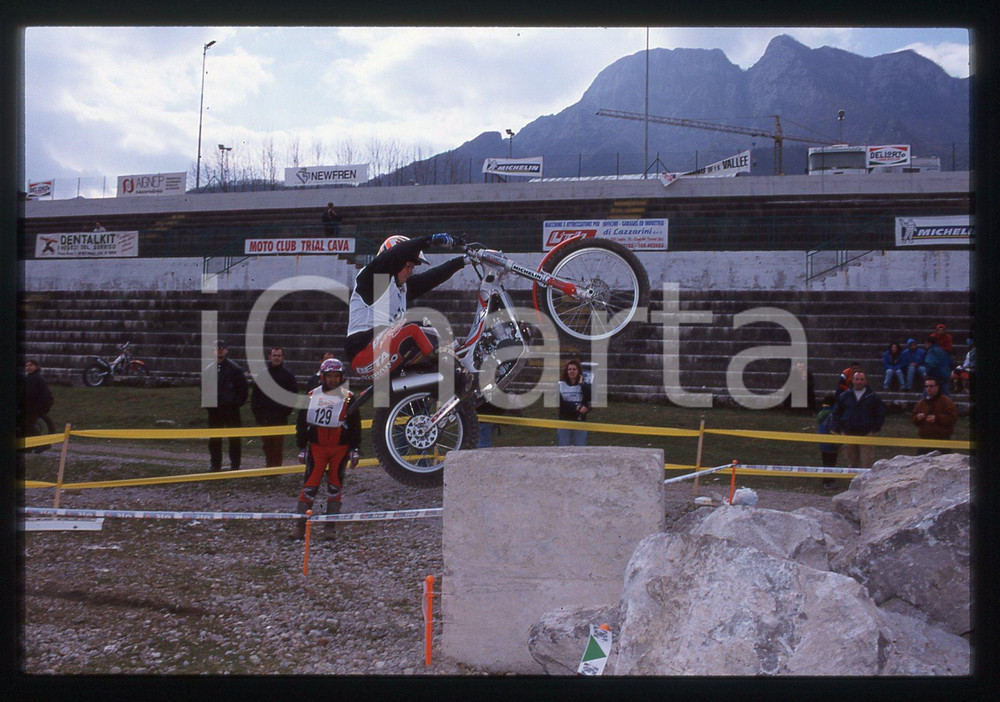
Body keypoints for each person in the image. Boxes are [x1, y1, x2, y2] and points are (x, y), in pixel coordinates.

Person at [345, 233, 469, 390]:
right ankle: (452, 373)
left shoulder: (401, 287)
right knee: (414, 328)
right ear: (394, 261)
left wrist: (462, 261)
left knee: (432, 329)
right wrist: (428, 240)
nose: (411, 271)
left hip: (383, 351)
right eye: (408, 266)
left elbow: (431, 277)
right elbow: (392, 256)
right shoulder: (371, 279)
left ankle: (434, 388)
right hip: (363, 352)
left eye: (412, 267)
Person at [291, 358, 361, 541]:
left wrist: (355, 449)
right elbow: (301, 421)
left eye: (336, 376)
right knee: (309, 486)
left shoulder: (348, 397)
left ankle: (330, 528)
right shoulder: (312, 395)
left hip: (340, 449)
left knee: (335, 487)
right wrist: (302, 446)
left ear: (341, 377)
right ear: (322, 376)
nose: (332, 380)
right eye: (329, 376)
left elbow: (355, 425)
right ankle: (300, 526)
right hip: (317, 447)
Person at [250, 347, 299, 467]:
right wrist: (258, 414)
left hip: (280, 418)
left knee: (277, 445)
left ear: (282, 357)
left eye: (279, 355)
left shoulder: (288, 376)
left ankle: (276, 468)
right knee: (267, 445)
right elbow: (255, 397)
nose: (276, 358)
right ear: (270, 357)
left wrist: (285, 413)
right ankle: (269, 466)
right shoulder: (262, 375)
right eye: (274, 355)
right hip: (264, 417)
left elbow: (293, 396)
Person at [203, 340, 248, 472]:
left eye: (222, 348)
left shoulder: (235, 370)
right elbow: (204, 390)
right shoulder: (208, 370)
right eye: (217, 348)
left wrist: (235, 403)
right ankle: (215, 464)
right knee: (215, 440)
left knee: (234, 439)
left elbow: (243, 390)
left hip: (231, 410)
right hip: (215, 411)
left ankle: (235, 464)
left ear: (226, 350)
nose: (220, 351)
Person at [830, 369, 886, 469]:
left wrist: (874, 429)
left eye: (862, 379)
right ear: (852, 380)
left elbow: (880, 414)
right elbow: (836, 413)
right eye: (857, 379)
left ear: (866, 381)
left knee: (867, 465)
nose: (859, 381)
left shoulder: (873, 397)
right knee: (852, 465)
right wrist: (839, 429)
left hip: (866, 434)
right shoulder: (844, 396)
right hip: (848, 434)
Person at [911, 377, 958, 455]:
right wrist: (917, 417)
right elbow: (913, 417)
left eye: (931, 386)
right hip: (925, 441)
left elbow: (953, 417)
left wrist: (937, 418)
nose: (928, 388)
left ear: (937, 387)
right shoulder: (921, 402)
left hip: (942, 441)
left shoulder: (946, 401)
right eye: (926, 386)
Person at [557, 358, 591, 447]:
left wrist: (582, 384)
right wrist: (577, 408)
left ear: (578, 371)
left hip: (579, 420)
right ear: (566, 371)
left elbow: (590, 398)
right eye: (570, 369)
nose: (572, 371)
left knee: (580, 447)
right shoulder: (560, 385)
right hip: (564, 420)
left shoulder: (584, 385)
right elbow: (560, 404)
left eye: (574, 369)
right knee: (563, 447)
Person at [19, 359, 54, 437]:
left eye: (31, 365)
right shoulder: (30, 377)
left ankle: (40, 443)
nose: (28, 367)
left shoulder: (36, 378)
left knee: (28, 427)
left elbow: (41, 394)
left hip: (33, 408)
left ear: (36, 367)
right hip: (29, 407)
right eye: (27, 365)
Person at [816, 394, 840, 490]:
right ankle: (829, 481)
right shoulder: (832, 414)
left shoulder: (822, 413)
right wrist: (839, 443)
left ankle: (825, 480)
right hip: (831, 443)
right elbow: (833, 429)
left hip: (822, 441)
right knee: (831, 463)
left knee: (825, 461)